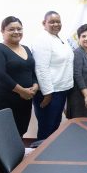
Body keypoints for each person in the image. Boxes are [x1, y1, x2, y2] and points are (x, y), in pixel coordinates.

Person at [0, 16, 38, 137]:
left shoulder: (26, 48)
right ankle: (0, 157)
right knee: (4, 135)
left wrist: (35, 86)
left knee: (20, 131)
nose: (16, 32)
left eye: (19, 29)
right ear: (2, 31)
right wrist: (21, 91)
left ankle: (17, 156)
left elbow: (31, 71)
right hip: (5, 100)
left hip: (25, 100)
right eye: (11, 29)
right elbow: (0, 75)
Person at [32, 11, 74, 140]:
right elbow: (41, 68)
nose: (56, 24)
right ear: (44, 23)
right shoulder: (42, 40)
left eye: (58, 21)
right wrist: (48, 93)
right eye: (52, 22)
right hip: (49, 93)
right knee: (47, 128)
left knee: (55, 126)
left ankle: (50, 157)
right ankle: (39, 158)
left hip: (61, 90)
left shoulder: (58, 38)